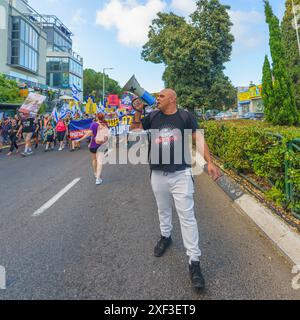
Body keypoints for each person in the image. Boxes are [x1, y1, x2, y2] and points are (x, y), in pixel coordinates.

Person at [130, 89, 221, 291]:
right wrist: (137, 111)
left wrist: (210, 163)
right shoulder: (152, 116)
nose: (157, 98)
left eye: (161, 96)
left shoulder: (185, 116)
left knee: (187, 216)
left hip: (181, 174)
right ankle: (166, 236)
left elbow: (198, 138)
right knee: (163, 210)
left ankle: (194, 262)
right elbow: (134, 132)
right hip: (157, 174)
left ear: (172, 98)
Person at [78, 113, 109, 185]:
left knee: (94, 159)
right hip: (101, 145)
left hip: (93, 145)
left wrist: (80, 139)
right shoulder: (105, 124)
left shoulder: (93, 124)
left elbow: (90, 134)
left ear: (97, 117)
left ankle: (95, 173)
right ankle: (98, 178)